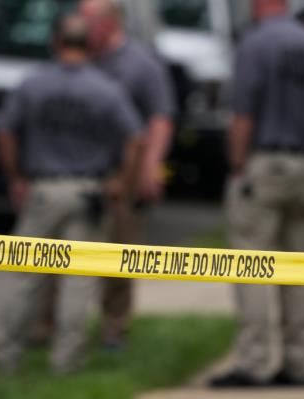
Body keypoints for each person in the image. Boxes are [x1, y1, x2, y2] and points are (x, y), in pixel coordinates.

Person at [0, 14, 142, 374]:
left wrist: (15, 175)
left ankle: (7, 358)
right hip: (90, 193)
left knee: (26, 277)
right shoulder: (105, 89)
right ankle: (66, 362)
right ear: (89, 46)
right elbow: (136, 139)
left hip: (44, 189)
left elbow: (4, 133)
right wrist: (122, 181)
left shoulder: (33, 84)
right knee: (79, 281)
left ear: (57, 43)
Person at [210, 0, 304, 387]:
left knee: (252, 265)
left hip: (266, 163)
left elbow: (243, 112)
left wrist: (237, 166)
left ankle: (254, 362)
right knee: (298, 270)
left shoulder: (256, 43)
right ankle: (299, 361)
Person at [79, 0, 176, 348]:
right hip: (80, 168)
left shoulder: (141, 64)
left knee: (120, 253)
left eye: (86, 19)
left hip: (126, 170)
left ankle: (114, 329)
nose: (80, 25)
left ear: (109, 22)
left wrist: (152, 167)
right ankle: (51, 328)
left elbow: (160, 119)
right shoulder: (80, 58)